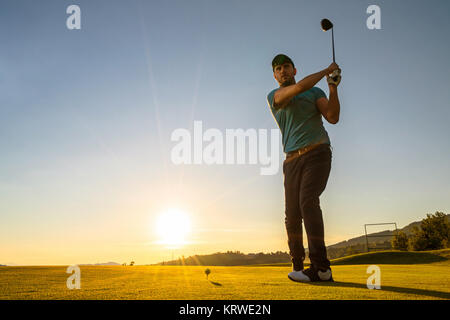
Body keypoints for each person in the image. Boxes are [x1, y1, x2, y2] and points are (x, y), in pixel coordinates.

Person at [266, 54, 341, 282]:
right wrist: (325, 70)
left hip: (318, 153)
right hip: (291, 161)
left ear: (294, 69)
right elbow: (299, 87)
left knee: (307, 201)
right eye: (278, 69)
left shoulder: (315, 92)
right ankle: (297, 265)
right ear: (274, 75)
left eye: (286, 67)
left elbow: (332, 116)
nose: (283, 71)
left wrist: (332, 88)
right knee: (292, 215)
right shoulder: (275, 96)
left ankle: (321, 268)